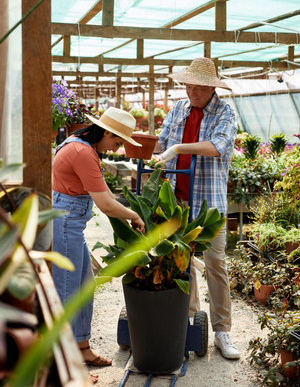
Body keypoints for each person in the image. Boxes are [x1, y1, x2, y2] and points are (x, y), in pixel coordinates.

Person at [155, 57, 240, 359]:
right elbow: (160, 143)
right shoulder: (178, 109)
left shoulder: (224, 113)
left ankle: (222, 330)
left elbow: (218, 146)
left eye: (197, 87)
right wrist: (152, 153)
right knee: (182, 262)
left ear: (211, 87)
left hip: (209, 204)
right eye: (188, 86)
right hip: (177, 201)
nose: (191, 92)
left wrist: (178, 149)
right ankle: (191, 320)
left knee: (216, 264)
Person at [52, 107, 145, 367]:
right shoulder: (82, 152)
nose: (117, 148)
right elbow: (105, 203)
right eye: (117, 142)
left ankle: (81, 348)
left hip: (71, 223)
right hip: (65, 223)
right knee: (68, 292)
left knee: (82, 286)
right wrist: (134, 216)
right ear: (104, 131)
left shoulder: (78, 144)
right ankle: (66, 363)